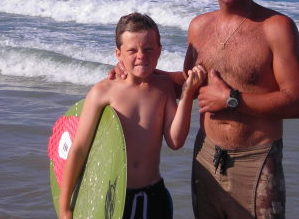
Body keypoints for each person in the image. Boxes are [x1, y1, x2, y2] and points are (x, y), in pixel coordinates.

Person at [112, 0, 299, 219]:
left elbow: (296, 102)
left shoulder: (276, 27)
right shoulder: (198, 27)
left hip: (255, 163)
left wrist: (232, 100)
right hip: (206, 157)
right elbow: (188, 83)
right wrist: (133, 76)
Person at [59, 12, 206, 219]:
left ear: (159, 51)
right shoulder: (102, 92)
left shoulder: (163, 88)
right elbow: (79, 150)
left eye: (148, 49)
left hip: (154, 194)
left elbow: (175, 141)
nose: (141, 56)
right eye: (132, 50)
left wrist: (187, 95)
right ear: (118, 54)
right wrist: (65, 207)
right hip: (111, 197)